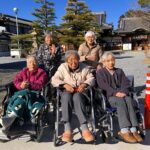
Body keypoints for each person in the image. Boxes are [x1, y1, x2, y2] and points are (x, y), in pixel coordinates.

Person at [96, 52, 143, 143]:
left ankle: (133, 129)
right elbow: (103, 85)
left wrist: (124, 92)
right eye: (108, 61)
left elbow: (126, 83)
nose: (111, 62)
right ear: (104, 62)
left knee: (129, 100)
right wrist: (115, 93)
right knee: (120, 101)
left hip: (122, 95)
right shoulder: (100, 72)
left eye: (112, 60)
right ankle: (124, 131)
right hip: (110, 97)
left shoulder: (119, 71)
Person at [51, 50, 95, 143]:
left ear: (79, 60)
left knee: (77, 97)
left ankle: (85, 128)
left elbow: (91, 78)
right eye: (70, 60)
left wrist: (84, 84)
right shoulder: (62, 67)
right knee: (66, 96)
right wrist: (64, 85)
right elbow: (54, 79)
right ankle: (67, 129)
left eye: (75, 60)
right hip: (67, 92)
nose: (73, 62)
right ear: (66, 61)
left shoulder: (84, 67)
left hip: (80, 93)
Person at [0, 56, 48, 132]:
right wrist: (21, 85)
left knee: (21, 97)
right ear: (27, 64)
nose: (32, 64)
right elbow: (16, 82)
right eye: (30, 62)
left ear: (37, 63)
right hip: (21, 93)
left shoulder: (42, 73)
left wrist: (29, 85)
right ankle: (12, 118)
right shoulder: (23, 72)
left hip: (34, 94)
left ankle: (10, 117)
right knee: (20, 98)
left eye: (34, 62)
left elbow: (40, 85)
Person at [36, 31, 62, 102]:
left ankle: (54, 98)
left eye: (50, 38)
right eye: (47, 38)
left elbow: (59, 58)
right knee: (45, 84)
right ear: (45, 39)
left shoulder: (57, 46)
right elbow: (39, 58)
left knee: (54, 83)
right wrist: (41, 68)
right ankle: (46, 100)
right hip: (44, 68)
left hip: (54, 69)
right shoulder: (42, 46)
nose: (49, 39)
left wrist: (54, 54)